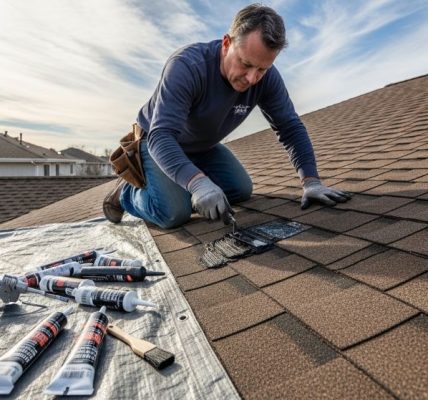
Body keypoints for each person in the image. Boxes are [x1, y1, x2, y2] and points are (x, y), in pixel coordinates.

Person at [103, 3, 351, 229]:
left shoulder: (266, 79)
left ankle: (182, 182)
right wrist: (198, 184)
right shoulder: (187, 67)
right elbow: (161, 136)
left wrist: (311, 181)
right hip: (157, 143)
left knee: (239, 190)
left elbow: (290, 128)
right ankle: (126, 195)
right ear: (226, 44)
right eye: (245, 64)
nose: (252, 78)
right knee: (173, 213)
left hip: (202, 146)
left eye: (262, 69)